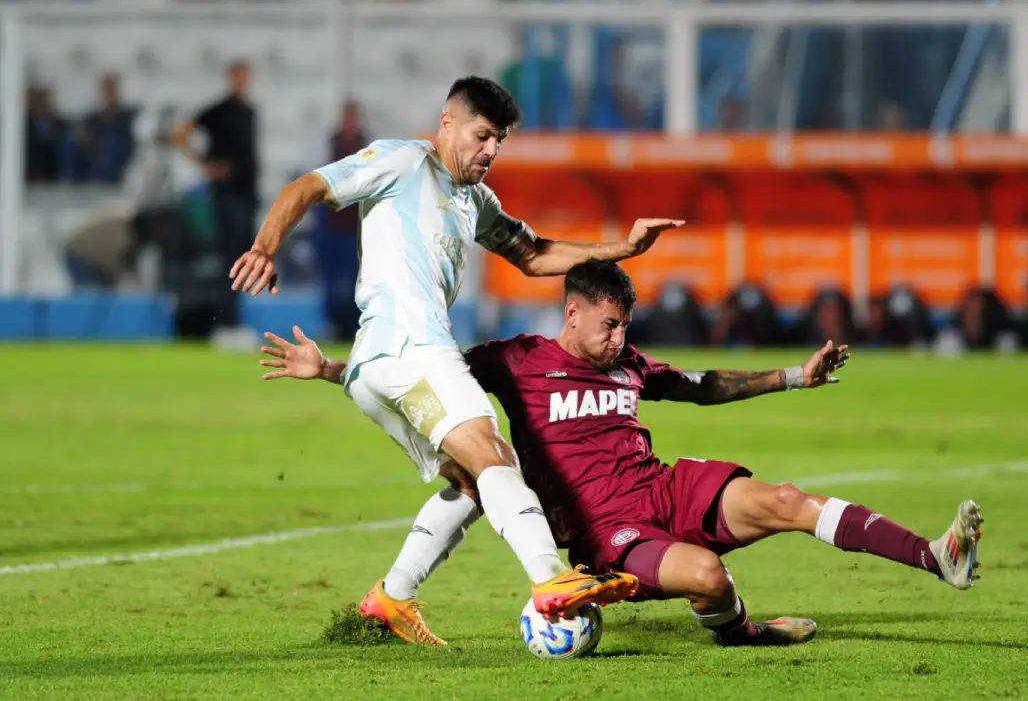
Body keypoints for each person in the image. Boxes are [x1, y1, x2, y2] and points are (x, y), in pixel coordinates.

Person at [259, 259, 984, 647]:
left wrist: (796, 375)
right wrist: (329, 370)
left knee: (787, 499)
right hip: (606, 532)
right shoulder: (514, 361)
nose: (617, 339)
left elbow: (702, 386)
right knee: (706, 575)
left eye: (624, 326)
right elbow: (428, 380)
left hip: (663, 488)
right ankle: (743, 634)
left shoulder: (628, 363)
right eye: (608, 326)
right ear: (571, 313)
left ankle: (936, 556)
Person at [233, 77, 683, 643]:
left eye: (499, 141)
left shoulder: (476, 200)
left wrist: (622, 249)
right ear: (448, 125)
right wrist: (264, 247)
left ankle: (392, 598)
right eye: (482, 135)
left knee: (474, 483)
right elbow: (307, 187)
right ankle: (551, 580)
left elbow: (536, 254)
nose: (491, 151)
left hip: (375, 368)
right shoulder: (403, 161)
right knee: (497, 457)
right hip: (415, 349)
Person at [171, 60, 261, 333]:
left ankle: (233, 317)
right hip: (227, 197)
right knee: (230, 259)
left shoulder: (249, 111)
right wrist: (206, 164)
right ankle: (226, 320)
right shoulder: (219, 111)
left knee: (243, 256)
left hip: (246, 195)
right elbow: (180, 134)